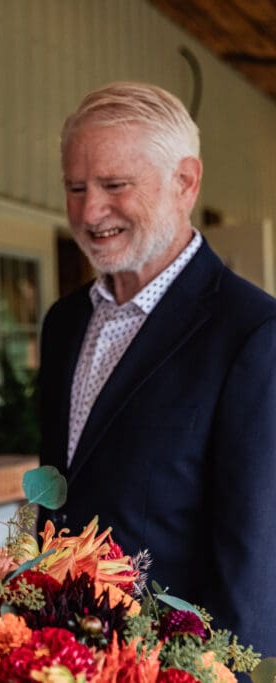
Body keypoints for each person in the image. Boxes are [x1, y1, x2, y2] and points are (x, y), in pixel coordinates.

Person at [38, 81, 276, 659]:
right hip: (62, 657)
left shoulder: (252, 332)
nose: (91, 211)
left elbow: (254, 563)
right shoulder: (64, 322)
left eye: (116, 185)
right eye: (76, 187)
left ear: (185, 181)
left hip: (174, 666)